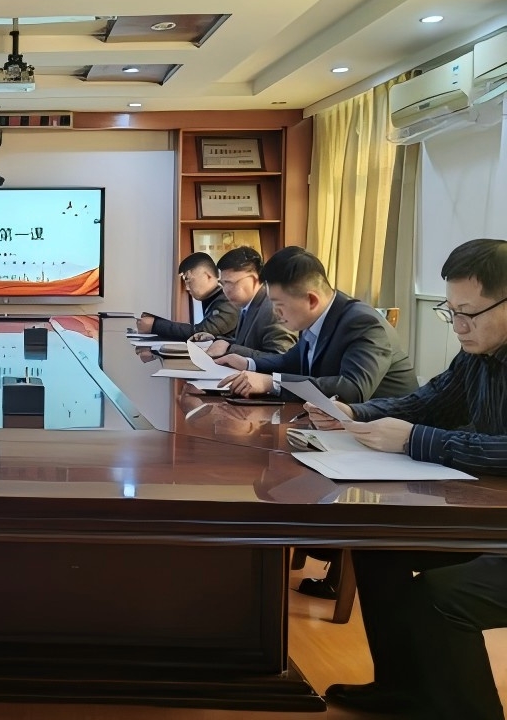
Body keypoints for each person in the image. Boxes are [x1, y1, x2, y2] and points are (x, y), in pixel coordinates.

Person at [304, 239, 507, 720]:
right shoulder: (478, 355)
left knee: (443, 595)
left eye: (469, 313)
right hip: (492, 518)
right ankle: (401, 688)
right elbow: (428, 401)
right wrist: (355, 413)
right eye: (450, 311)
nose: (458, 326)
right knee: (378, 547)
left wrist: (416, 440)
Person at [217, 246, 418, 403]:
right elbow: (289, 362)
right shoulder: (316, 318)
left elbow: (353, 389)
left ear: (311, 300)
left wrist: (273, 383)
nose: (276, 313)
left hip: (387, 431)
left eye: (279, 305)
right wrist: (248, 363)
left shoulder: (363, 323)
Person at [191, 246, 296, 358]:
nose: (226, 290)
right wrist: (215, 341)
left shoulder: (274, 310)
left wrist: (229, 349)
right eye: (223, 284)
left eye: (230, 283)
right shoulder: (247, 304)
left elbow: (280, 359)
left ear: (253, 279)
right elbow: (246, 344)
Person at [137, 252, 239, 340]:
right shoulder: (214, 300)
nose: (187, 287)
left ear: (208, 276)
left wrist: (155, 325)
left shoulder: (229, 302)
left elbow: (201, 332)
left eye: (189, 280)